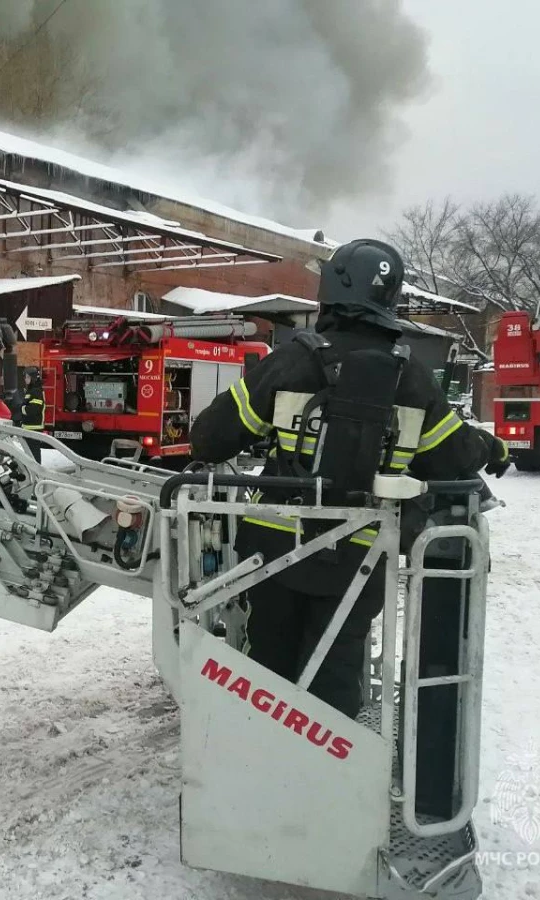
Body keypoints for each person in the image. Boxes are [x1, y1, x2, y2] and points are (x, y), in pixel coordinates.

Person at [188, 238, 510, 718]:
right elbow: (453, 456)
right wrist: (492, 445)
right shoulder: (412, 378)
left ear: (330, 292)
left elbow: (209, 440)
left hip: (272, 551)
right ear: (390, 298)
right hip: (362, 554)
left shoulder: (291, 361)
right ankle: (335, 755)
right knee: (335, 672)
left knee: (266, 670)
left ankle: (261, 751)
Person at [19, 366, 45, 461]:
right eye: (25, 377)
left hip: (34, 428)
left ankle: (36, 469)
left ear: (33, 378)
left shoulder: (36, 391)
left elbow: (33, 410)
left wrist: (22, 408)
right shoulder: (31, 390)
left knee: (33, 453)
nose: (25, 379)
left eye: (27, 377)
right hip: (29, 427)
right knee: (29, 454)